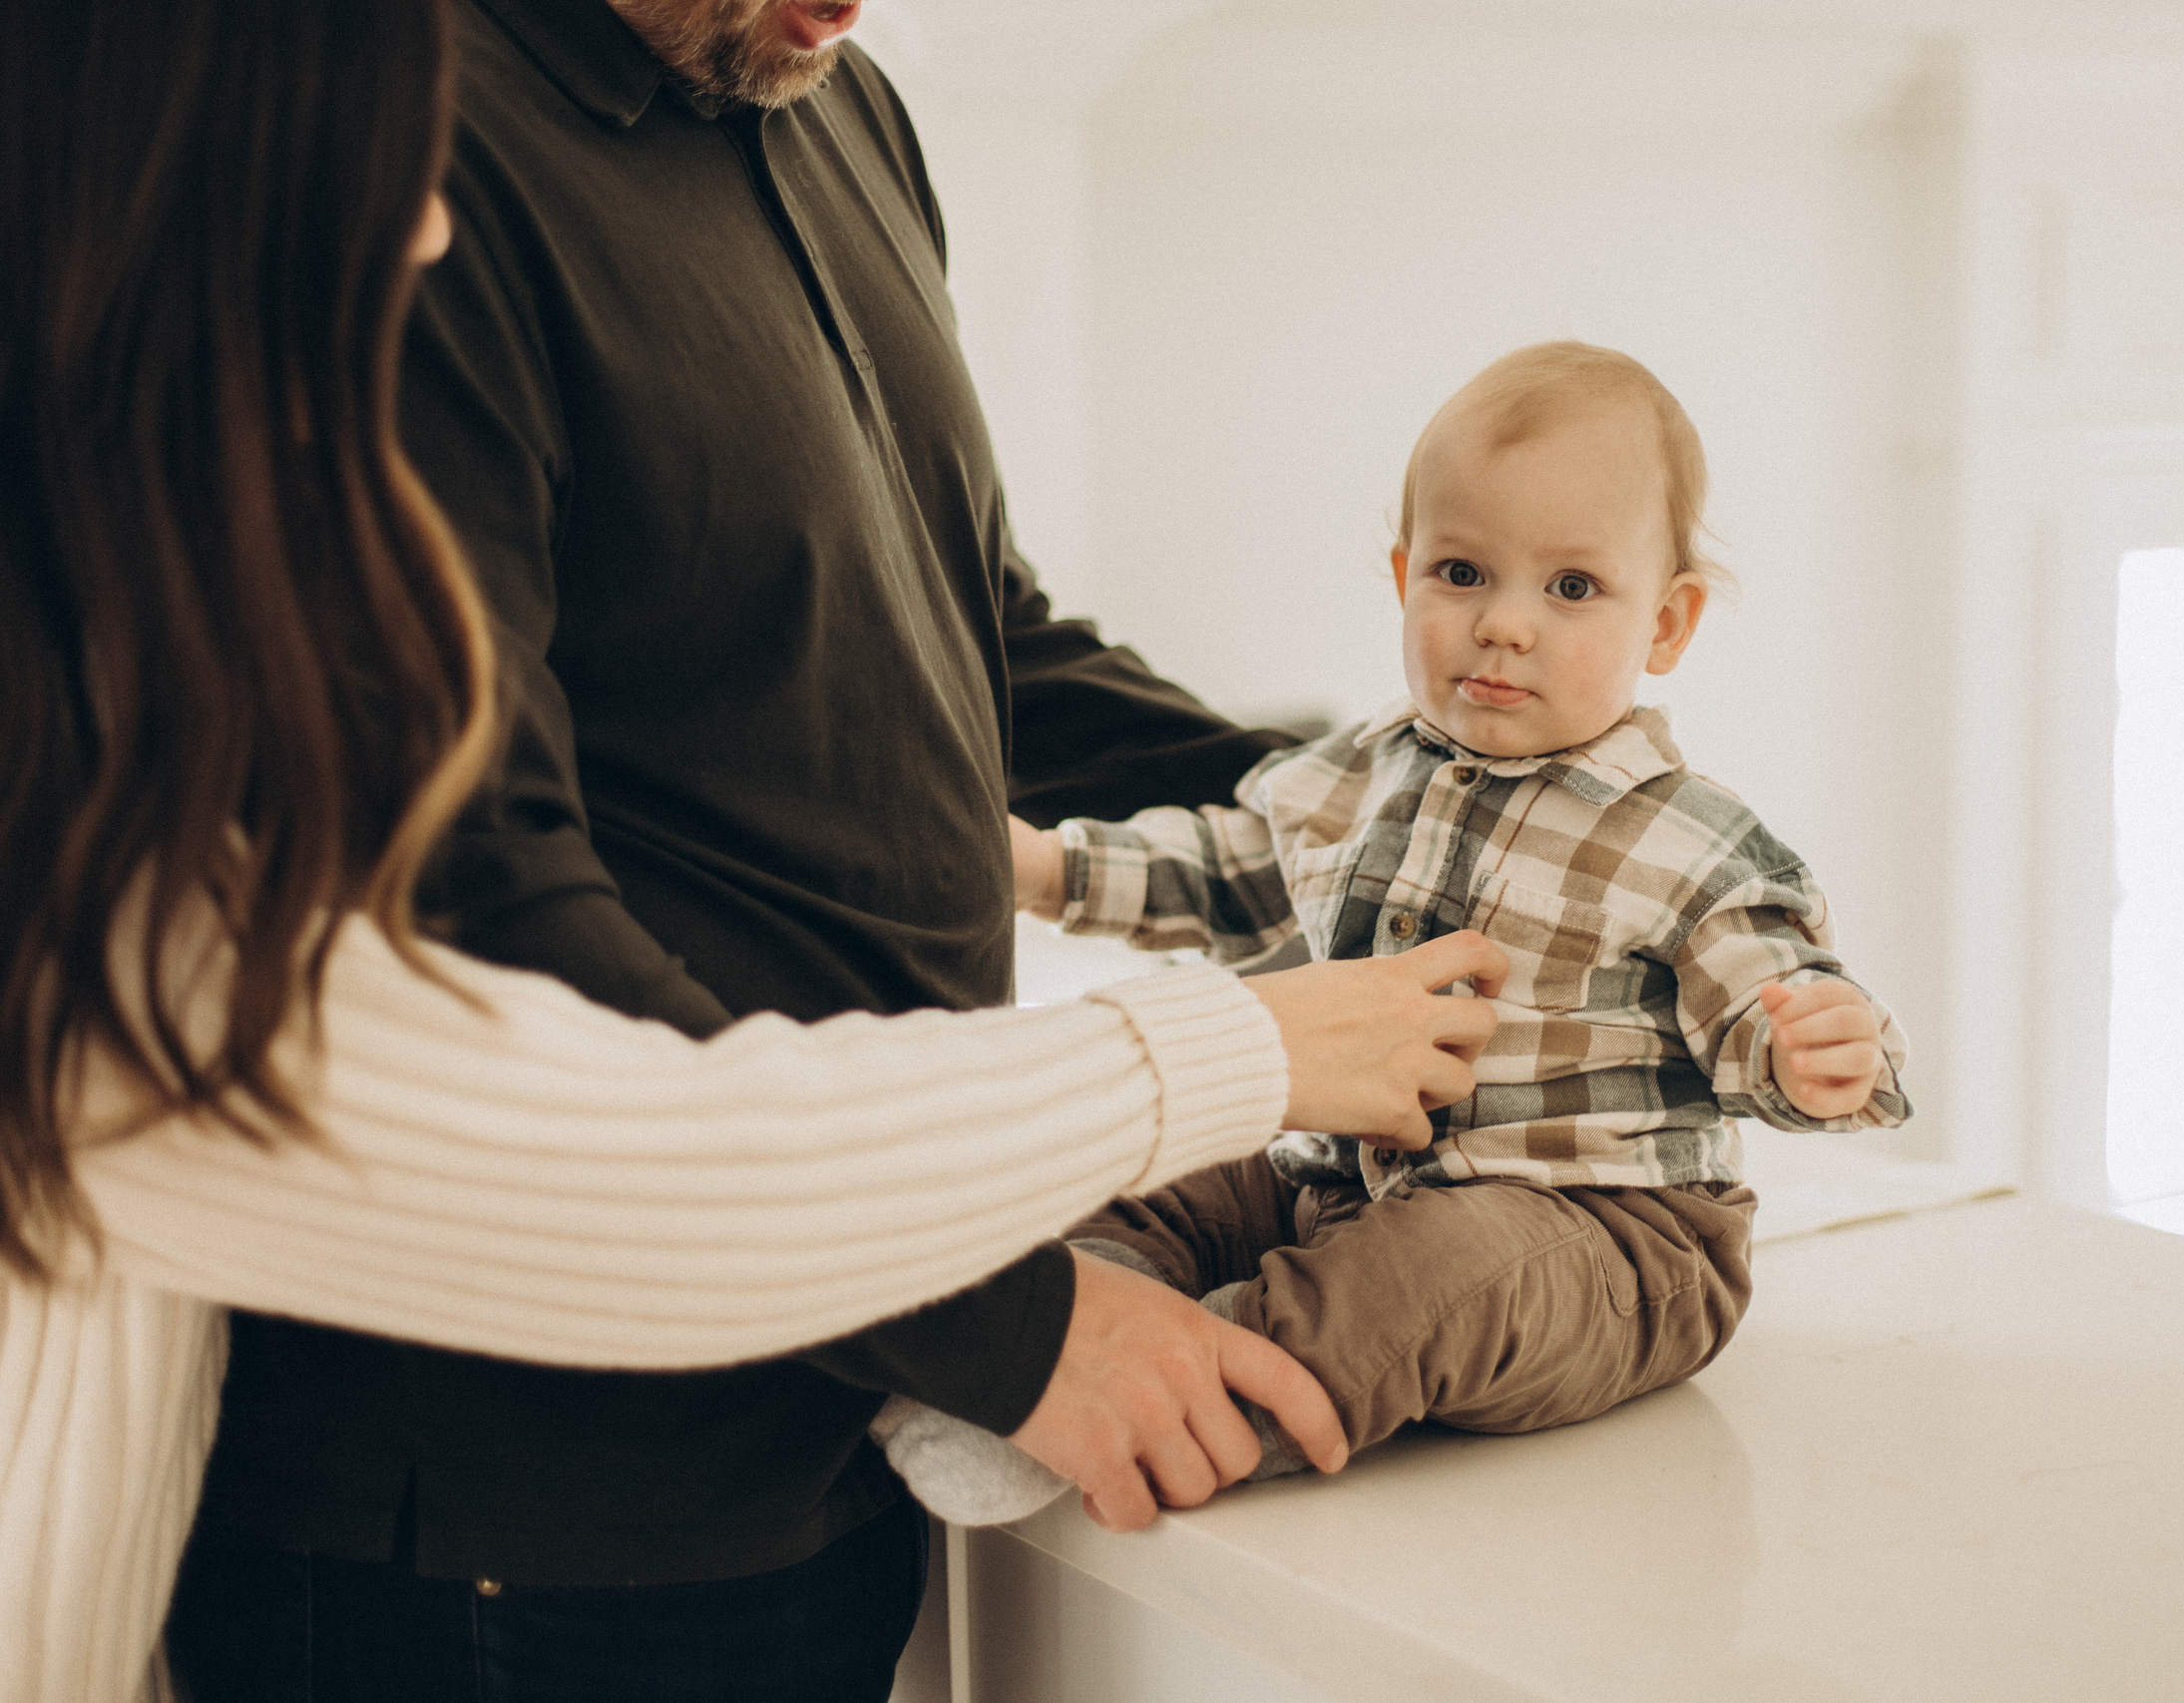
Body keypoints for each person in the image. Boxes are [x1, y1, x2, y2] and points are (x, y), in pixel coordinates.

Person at [0, 3, 1503, 1698]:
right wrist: (1163, 1147)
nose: (414, 223)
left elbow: (962, 630)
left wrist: (1433, 806)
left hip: (829, 1402)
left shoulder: (840, 114)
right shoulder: (413, 110)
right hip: (527, 1508)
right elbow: (595, 1096)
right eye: (370, 185)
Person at [876, 342, 1916, 1523]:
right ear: (1402, 576)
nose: (1503, 626)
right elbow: (1229, 866)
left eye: (1570, 588)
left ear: (1666, 621)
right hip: (1348, 1178)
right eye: (1462, 572)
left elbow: (1762, 999)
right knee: (1152, 1166)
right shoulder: (1362, 770)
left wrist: (1816, 1055)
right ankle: (1059, 1339)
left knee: (1417, 1280)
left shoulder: (1688, 841)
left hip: (1601, 1236)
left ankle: (1176, 1404)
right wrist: (1053, 865)